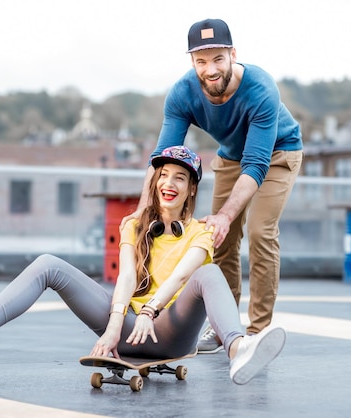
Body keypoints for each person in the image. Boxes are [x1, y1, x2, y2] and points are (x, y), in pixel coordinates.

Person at [0, 146, 286, 385]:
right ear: (154, 184)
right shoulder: (134, 225)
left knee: (209, 271)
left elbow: (183, 274)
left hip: (170, 329)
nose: (169, 183)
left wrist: (151, 310)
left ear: (191, 189)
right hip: (125, 327)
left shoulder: (200, 232)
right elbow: (124, 277)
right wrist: (111, 328)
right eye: (163, 176)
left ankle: (238, 352)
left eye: (180, 178)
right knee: (48, 264)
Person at [123, 19, 303, 353]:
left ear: (233, 55)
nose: (211, 69)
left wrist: (225, 214)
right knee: (220, 239)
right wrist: (141, 211)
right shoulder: (182, 94)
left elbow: (257, 164)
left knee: (261, 232)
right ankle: (225, 327)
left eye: (218, 58)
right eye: (201, 61)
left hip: (277, 154)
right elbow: (160, 160)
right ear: (192, 63)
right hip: (232, 158)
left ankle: (256, 331)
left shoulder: (261, 88)